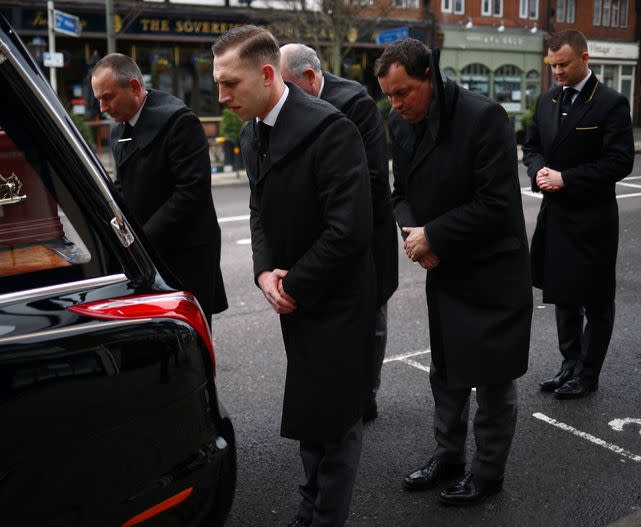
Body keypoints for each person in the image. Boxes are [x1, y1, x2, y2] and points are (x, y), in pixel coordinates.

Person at [213, 25, 375, 527]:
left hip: (338, 300)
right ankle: (310, 508)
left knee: (337, 420)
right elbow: (258, 208)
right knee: (309, 411)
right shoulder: (251, 130)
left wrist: (293, 285)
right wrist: (263, 271)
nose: (221, 96)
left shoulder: (330, 129)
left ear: (266, 75)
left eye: (229, 83)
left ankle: (326, 517)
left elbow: (349, 230)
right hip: (297, 297)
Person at [376, 38, 532, 506]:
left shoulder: (484, 117)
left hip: (492, 269)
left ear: (430, 76)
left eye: (403, 92)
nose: (396, 104)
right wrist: (413, 235)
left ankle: (487, 475)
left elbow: (498, 204)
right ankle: (448, 457)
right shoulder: (399, 124)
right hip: (443, 267)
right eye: (389, 95)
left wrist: (435, 237)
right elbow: (399, 191)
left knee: (492, 379)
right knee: (446, 372)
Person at [279, 43, 398, 423]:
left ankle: (367, 393)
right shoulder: (288, 108)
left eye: (288, 87)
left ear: (310, 79)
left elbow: (376, 181)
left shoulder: (353, 104)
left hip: (362, 236)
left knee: (370, 320)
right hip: (321, 239)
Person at [522, 30, 634, 399]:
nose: (557, 71)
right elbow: (532, 145)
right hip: (556, 216)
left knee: (596, 301)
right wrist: (538, 171)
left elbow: (619, 162)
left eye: (564, 64)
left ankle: (587, 374)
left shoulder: (610, 102)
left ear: (585, 59)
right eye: (552, 65)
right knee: (563, 295)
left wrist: (565, 178)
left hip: (593, 219)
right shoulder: (547, 99)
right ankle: (569, 364)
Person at [91, 54, 227, 324]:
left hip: (186, 252)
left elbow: (191, 191)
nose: (103, 108)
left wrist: (143, 240)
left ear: (134, 86)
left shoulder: (179, 121)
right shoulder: (122, 127)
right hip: (150, 249)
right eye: (98, 100)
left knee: (189, 333)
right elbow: (125, 184)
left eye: (108, 97)